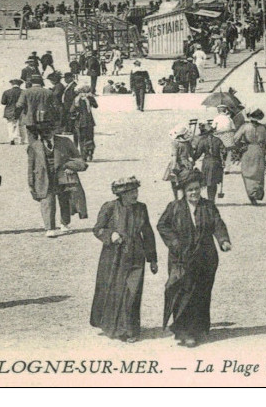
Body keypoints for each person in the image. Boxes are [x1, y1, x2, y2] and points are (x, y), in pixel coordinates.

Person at [157, 168, 232, 347]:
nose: (194, 193)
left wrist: (223, 240)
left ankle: (199, 328)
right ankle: (185, 332)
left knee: (202, 292)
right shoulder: (174, 207)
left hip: (206, 258)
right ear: (184, 191)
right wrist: (175, 243)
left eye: (197, 189)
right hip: (181, 259)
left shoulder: (208, 206)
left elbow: (218, 224)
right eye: (190, 190)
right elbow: (162, 225)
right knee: (183, 293)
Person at [90, 177, 158, 343]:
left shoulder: (142, 208)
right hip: (114, 257)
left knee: (133, 291)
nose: (135, 195)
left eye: (136, 191)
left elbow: (147, 233)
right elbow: (97, 229)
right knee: (116, 291)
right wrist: (110, 235)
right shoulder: (110, 207)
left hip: (136, 254)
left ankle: (130, 329)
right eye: (130, 192)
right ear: (122, 194)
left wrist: (152, 259)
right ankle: (116, 327)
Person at [28, 121, 88, 238]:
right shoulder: (34, 146)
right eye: (43, 132)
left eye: (49, 131)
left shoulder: (65, 142)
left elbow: (79, 159)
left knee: (65, 200)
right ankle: (49, 228)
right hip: (43, 178)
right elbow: (31, 167)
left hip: (63, 177)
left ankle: (64, 224)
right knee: (47, 202)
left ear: (54, 131)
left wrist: (71, 167)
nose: (47, 134)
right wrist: (31, 184)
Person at [232, 108, 266, 205]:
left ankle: (251, 193)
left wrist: (239, 147)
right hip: (259, 150)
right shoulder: (263, 128)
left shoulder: (245, 127)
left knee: (247, 172)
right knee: (258, 172)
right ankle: (257, 192)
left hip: (248, 150)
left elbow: (235, 139)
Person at [17, 74, 59, 143]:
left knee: (32, 139)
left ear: (31, 82)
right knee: (46, 139)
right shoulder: (49, 92)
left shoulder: (25, 92)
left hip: (30, 119)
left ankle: (35, 152)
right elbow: (55, 105)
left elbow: (19, 105)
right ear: (41, 82)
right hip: (45, 118)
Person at [191, 120, 226, 202]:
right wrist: (223, 160)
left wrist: (192, 159)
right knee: (213, 182)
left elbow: (198, 153)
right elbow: (224, 151)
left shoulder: (202, 141)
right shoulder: (218, 140)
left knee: (208, 182)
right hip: (217, 163)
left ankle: (210, 200)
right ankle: (212, 199)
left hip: (207, 162)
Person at [164, 123, 195, 201]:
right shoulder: (188, 143)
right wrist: (191, 162)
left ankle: (176, 198)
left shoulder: (175, 143)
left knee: (173, 181)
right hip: (186, 163)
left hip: (177, 163)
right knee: (185, 182)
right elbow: (191, 154)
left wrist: (173, 166)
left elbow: (174, 155)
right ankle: (184, 197)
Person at [70, 85, 98, 162]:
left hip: (80, 121)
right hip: (89, 121)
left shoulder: (76, 99)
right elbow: (96, 106)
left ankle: (83, 156)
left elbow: (72, 110)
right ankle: (90, 153)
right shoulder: (90, 98)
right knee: (90, 137)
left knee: (82, 139)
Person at [1, 79, 26, 145]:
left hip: (9, 110)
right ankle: (21, 140)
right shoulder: (23, 92)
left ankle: (11, 139)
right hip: (21, 110)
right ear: (20, 84)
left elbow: (3, 102)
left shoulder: (6, 92)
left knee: (10, 125)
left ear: (12, 84)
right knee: (21, 125)